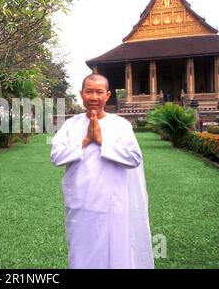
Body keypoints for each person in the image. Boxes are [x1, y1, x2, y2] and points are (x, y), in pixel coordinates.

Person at [50, 74, 154, 269]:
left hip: (114, 205)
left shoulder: (121, 125)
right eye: (89, 92)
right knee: (82, 252)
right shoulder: (70, 125)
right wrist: (86, 141)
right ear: (81, 95)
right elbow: (56, 157)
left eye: (99, 92)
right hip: (80, 204)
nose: (94, 97)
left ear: (107, 95)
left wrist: (101, 141)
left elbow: (134, 158)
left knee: (115, 253)